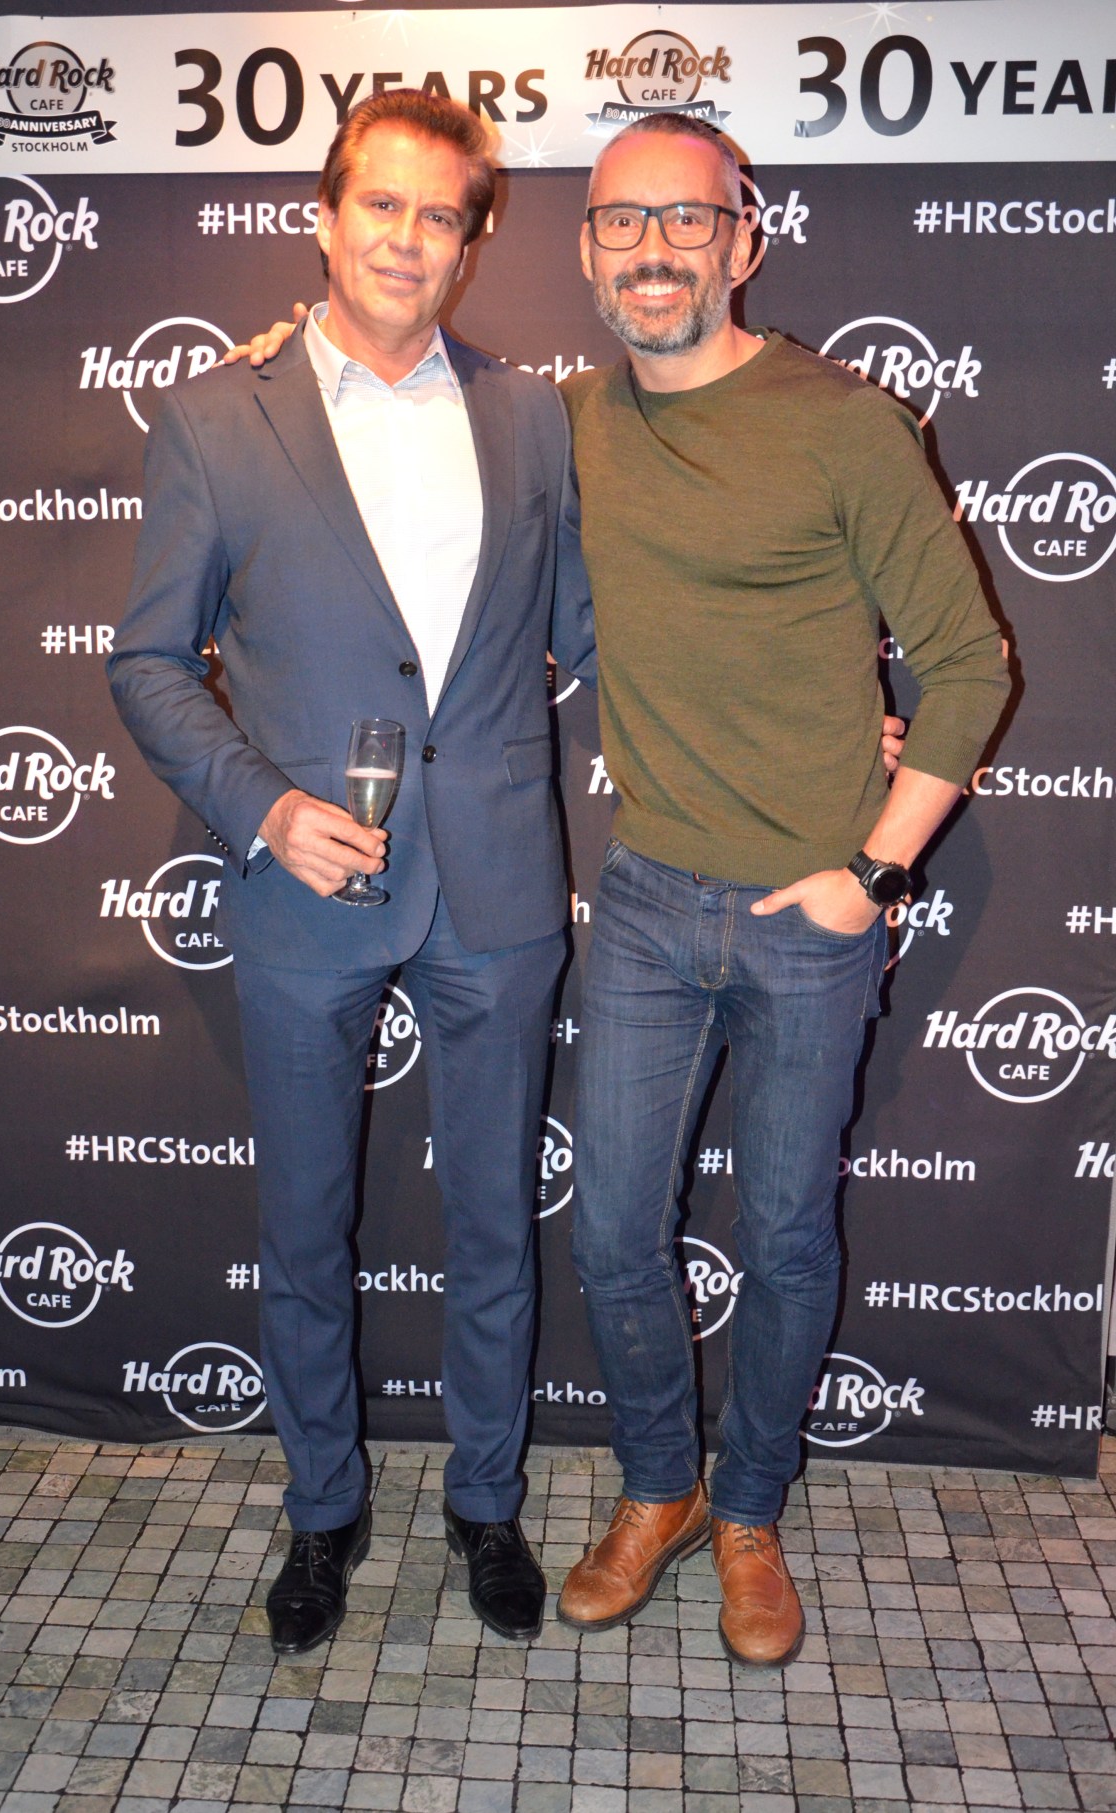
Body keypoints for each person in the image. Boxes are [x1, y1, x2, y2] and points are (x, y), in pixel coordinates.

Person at [108, 89, 597, 1653]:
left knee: (494, 1223)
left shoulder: (532, 416)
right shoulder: (214, 416)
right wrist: (262, 807)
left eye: (439, 214)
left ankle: (486, 1499)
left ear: (471, 241)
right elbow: (148, 663)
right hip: (302, 888)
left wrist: (812, 719)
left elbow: (598, 640)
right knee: (308, 1221)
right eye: (380, 204)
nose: (406, 238)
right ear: (324, 219)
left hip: (498, 880)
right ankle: (324, 1505)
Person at [547, 115, 1009, 1665]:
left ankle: (750, 1509)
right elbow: (407, 428)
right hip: (644, 898)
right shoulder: (569, 422)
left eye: (686, 219)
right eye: (622, 222)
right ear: (586, 249)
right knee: (612, 1227)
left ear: (743, 239)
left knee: (790, 1232)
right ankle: (661, 1488)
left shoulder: (844, 420)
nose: (654, 249)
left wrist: (875, 870)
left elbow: (967, 666)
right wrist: (296, 347)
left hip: (811, 914)